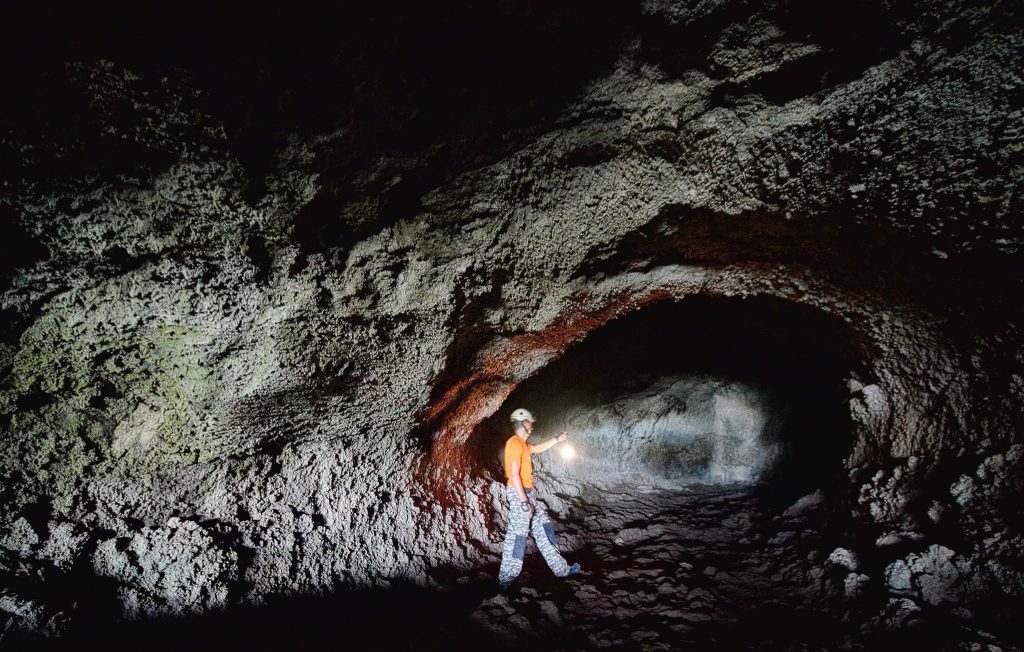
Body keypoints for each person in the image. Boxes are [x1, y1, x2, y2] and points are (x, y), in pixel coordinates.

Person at [497, 407, 581, 589]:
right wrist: (523, 501)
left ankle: (561, 569)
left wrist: (557, 439)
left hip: (528, 493)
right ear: (522, 423)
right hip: (519, 493)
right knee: (518, 535)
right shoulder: (514, 443)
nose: (532, 426)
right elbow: (513, 474)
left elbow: (537, 448)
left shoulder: (523, 444)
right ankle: (506, 579)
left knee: (544, 528)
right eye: (530, 423)